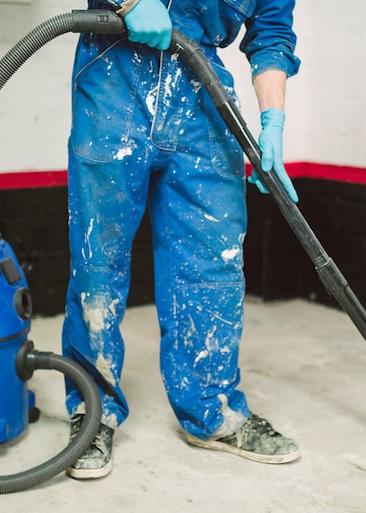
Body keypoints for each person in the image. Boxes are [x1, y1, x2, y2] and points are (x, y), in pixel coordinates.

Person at [63, 0, 302, 479]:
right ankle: (92, 412)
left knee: (212, 260)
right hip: (116, 71)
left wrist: (273, 122)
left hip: (201, 91)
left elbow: (272, 33)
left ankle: (212, 412)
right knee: (98, 258)